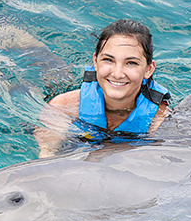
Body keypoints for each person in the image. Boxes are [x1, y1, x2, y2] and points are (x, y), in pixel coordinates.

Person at [35, 19, 171, 158]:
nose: (117, 74)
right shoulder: (62, 108)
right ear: (95, 61)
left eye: (131, 63)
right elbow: (47, 157)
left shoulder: (162, 123)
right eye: (108, 60)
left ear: (149, 69)